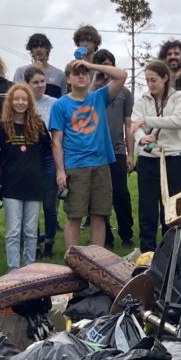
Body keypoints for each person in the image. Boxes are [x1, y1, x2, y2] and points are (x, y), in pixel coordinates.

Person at [49, 56, 128, 250]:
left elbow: (122, 76)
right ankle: (72, 264)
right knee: (74, 217)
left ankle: (97, 264)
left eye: (84, 73)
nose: (81, 76)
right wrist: (60, 171)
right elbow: (56, 142)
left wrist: (90, 65)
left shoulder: (98, 97)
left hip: (101, 164)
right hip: (75, 167)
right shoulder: (60, 105)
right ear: (68, 79)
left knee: (99, 216)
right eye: (76, 73)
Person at [132, 60, 181, 251]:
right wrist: (141, 138)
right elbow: (134, 124)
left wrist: (146, 120)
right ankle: (147, 251)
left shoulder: (178, 97)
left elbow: (178, 121)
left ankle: (171, 251)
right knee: (147, 207)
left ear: (165, 78)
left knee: (171, 208)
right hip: (148, 160)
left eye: (153, 80)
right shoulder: (142, 100)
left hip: (173, 158)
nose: (150, 84)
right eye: (147, 80)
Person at [0, 83, 50, 270]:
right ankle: (14, 270)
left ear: (29, 102)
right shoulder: (2, 126)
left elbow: (47, 153)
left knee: (30, 231)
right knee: (13, 232)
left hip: (34, 185)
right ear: (10, 102)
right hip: (11, 186)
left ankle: (30, 269)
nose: (20, 102)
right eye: (16, 99)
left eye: (24, 99)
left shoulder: (38, 125)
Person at [91, 50, 134, 250]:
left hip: (117, 150)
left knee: (120, 194)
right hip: (95, 152)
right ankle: (106, 238)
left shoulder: (124, 93)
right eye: (101, 66)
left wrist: (130, 152)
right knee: (99, 196)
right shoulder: (91, 92)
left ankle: (127, 233)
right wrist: (95, 80)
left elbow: (128, 124)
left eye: (108, 65)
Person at [23, 65, 61, 256]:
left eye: (42, 82)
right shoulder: (23, 103)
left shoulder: (55, 103)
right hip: (30, 156)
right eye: (35, 83)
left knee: (49, 202)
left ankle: (49, 242)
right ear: (27, 85)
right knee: (32, 203)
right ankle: (34, 242)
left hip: (49, 155)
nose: (40, 86)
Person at [13, 33, 65, 98]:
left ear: (47, 49)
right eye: (35, 47)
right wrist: (31, 71)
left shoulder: (59, 74)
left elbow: (63, 99)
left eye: (42, 46)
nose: (38, 49)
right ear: (31, 50)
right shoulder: (20, 71)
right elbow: (16, 94)